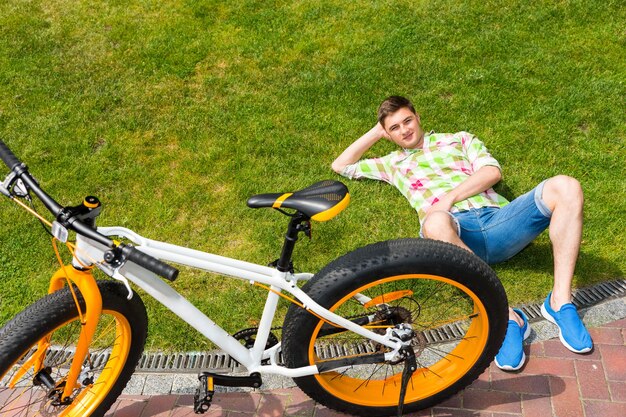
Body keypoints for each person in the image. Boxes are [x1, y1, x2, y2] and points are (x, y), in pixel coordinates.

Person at [331, 95, 593, 371]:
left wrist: (450, 197)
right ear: (388, 134)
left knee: (566, 186)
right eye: (394, 128)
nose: (405, 130)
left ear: (418, 117)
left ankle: (560, 302)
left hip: (497, 221)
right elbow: (341, 165)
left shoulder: (458, 139)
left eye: (407, 120)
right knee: (433, 222)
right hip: (451, 236)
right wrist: (377, 130)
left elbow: (492, 172)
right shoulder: (391, 163)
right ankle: (504, 317)